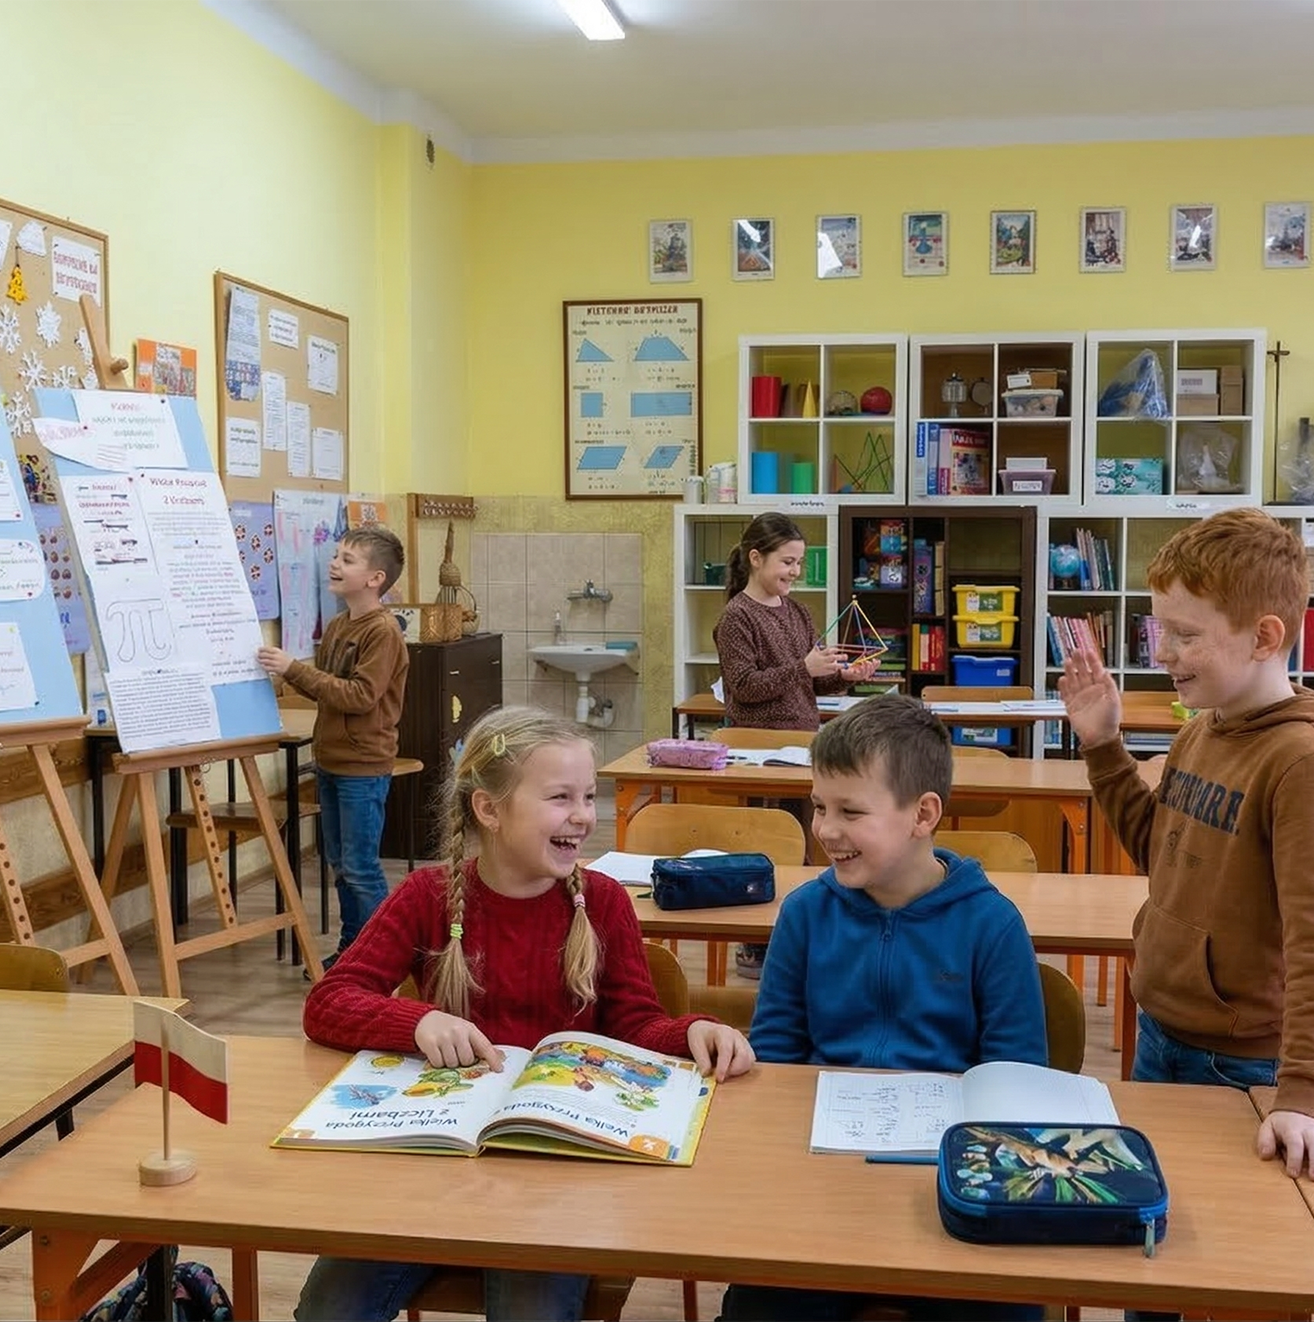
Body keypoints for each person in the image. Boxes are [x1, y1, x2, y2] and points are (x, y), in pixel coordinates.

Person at [296, 705, 755, 1322]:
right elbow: (329, 1001)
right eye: (560, 797)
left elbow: (634, 1026)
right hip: (437, 1161)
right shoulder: (428, 896)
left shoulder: (602, 901)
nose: (584, 816)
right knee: (330, 1308)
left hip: (553, 1168)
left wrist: (692, 1028)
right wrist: (416, 1022)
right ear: (488, 809)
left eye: (589, 796)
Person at [1060, 508, 1314, 1184]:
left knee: (1219, 1250)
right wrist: (1103, 745)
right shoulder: (1202, 731)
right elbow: (1158, 852)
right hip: (1162, 1032)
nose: (1161, 653)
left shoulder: (1302, 761)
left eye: (1184, 635)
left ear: (1264, 637)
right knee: (1151, 1234)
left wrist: (1309, 1095)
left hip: (1242, 1064)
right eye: (1158, 630)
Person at [721, 695, 1045, 1322]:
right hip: (822, 1173)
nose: (826, 829)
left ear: (922, 815)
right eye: (819, 806)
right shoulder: (806, 915)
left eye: (850, 811)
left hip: (950, 1175)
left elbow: (1014, 1077)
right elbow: (778, 1056)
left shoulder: (992, 925)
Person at [713, 512, 879, 979]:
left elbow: (810, 684)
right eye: (787, 562)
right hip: (759, 750)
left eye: (799, 563)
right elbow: (744, 687)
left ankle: (799, 941)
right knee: (770, 848)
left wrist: (844, 677)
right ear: (755, 558)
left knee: (808, 845)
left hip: (803, 747)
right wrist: (804, 668)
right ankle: (757, 946)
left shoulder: (798, 612)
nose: (794, 572)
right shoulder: (736, 618)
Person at [258, 526, 411, 970]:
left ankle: (386, 959)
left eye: (348, 559)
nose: (334, 564)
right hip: (332, 761)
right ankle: (353, 955)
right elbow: (325, 690)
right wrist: (281, 675)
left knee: (361, 869)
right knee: (342, 866)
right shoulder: (343, 623)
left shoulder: (382, 631)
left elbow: (359, 696)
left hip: (363, 767)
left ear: (375, 578)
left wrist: (293, 670)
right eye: (336, 555)